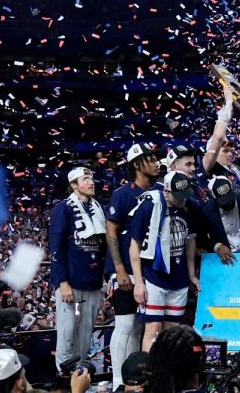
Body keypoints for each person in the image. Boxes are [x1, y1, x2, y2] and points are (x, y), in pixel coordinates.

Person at [106, 142, 160, 390]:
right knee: (125, 324)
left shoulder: (159, 191)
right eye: (150, 159)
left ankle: (133, 380)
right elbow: (112, 232)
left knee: (140, 327)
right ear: (137, 163)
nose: (156, 162)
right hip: (126, 270)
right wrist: (118, 269)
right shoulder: (122, 193)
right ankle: (118, 381)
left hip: (148, 271)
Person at [128, 171, 199, 351]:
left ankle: (169, 375)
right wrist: (138, 282)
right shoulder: (148, 206)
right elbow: (134, 245)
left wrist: (191, 274)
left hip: (179, 277)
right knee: (153, 329)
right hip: (155, 276)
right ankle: (149, 375)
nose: (183, 199)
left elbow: (190, 240)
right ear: (166, 191)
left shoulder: (188, 206)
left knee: (173, 331)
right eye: (179, 195)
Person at [49, 167, 107, 371]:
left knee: (86, 332)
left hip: (92, 283)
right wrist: (62, 282)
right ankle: (65, 376)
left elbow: (103, 247)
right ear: (74, 185)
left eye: (92, 178)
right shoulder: (63, 209)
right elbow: (56, 247)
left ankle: (80, 375)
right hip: (72, 287)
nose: (91, 182)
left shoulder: (99, 208)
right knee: (69, 330)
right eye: (85, 179)